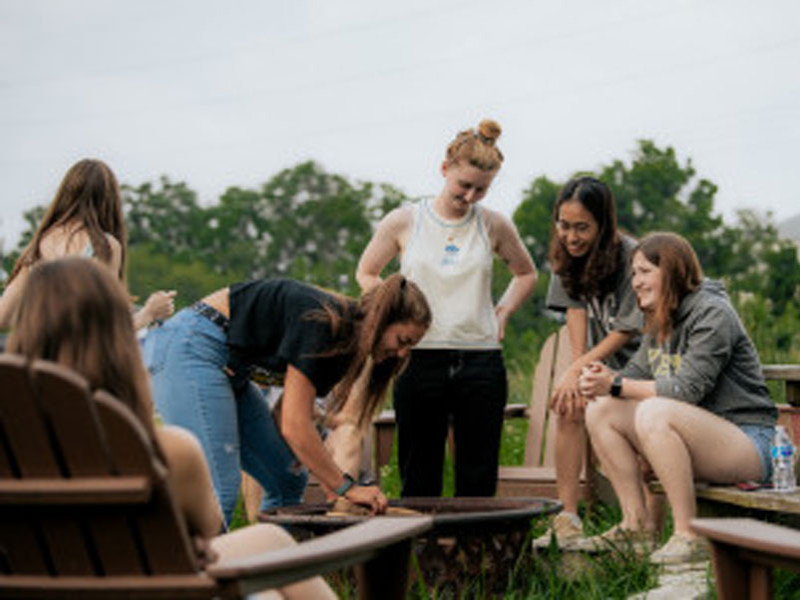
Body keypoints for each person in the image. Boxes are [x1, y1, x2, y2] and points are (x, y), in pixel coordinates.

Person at [5, 256, 336, 599]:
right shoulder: (166, 452)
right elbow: (208, 530)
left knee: (270, 540)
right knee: (266, 589)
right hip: (141, 588)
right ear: (120, 346)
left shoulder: (11, 456)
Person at [143, 272, 431, 523]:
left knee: (286, 479)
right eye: (403, 341)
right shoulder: (325, 323)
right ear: (380, 320)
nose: (403, 354)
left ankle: (266, 570)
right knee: (220, 491)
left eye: (411, 347)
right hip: (192, 346)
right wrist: (345, 486)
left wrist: (330, 482)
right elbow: (295, 426)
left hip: (231, 369)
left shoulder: (344, 348)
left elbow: (288, 412)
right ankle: (191, 579)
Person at [356, 119, 537, 497]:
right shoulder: (405, 221)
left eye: (481, 189)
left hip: (480, 357)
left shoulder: (494, 224)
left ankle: (474, 552)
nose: (470, 196)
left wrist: (502, 312)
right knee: (419, 470)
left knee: (478, 469)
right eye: (464, 185)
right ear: (444, 170)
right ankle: (426, 550)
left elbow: (526, 274)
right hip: (419, 357)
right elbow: (367, 273)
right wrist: (397, 308)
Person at [577, 232, 777, 564]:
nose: (635, 282)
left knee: (654, 411)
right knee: (601, 409)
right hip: (700, 439)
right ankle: (636, 527)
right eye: (633, 273)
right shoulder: (659, 320)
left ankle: (688, 535)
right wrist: (600, 379)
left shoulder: (713, 314)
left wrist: (615, 385)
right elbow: (633, 376)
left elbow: (687, 389)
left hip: (750, 441)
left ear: (670, 270)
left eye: (644, 272)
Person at [533, 177, 643, 549]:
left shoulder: (631, 255)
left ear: (603, 224)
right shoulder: (566, 257)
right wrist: (575, 369)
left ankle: (639, 523)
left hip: (641, 363)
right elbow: (575, 308)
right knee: (569, 404)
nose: (571, 236)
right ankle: (568, 516)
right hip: (602, 361)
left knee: (598, 401)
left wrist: (579, 368)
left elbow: (628, 329)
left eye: (582, 227)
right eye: (564, 225)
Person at [0, 158, 175, 331]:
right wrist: (150, 312)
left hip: (33, 354)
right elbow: (108, 331)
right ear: (110, 199)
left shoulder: (38, 244)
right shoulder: (104, 247)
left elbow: (2, 317)